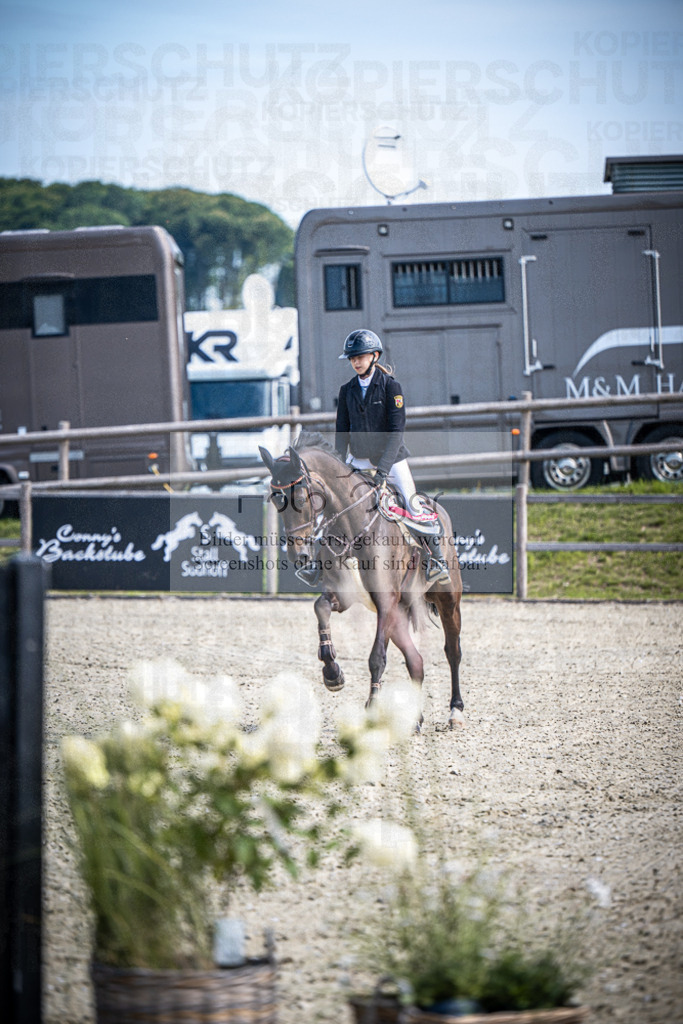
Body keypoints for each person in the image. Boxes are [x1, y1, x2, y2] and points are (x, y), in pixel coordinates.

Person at [298, 328, 450, 585]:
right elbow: (342, 431)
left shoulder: (392, 387)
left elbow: (396, 432)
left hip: (390, 460)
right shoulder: (347, 390)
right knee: (332, 506)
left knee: (411, 504)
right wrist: (338, 465)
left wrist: (382, 471)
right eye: (352, 358)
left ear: (375, 356)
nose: (356, 361)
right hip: (357, 460)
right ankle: (317, 564)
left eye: (361, 356)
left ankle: (437, 561)